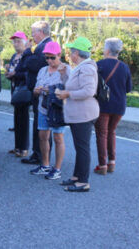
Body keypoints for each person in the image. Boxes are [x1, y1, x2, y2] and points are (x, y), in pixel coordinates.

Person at [55, 37, 99, 192]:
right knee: (80, 147)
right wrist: (64, 75)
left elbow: (89, 91)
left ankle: (83, 182)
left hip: (84, 114)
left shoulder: (86, 68)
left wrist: (68, 94)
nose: (69, 55)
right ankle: (76, 177)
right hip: (80, 114)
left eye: (71, 51)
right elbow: (75, 85)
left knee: (82, 148)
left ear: (76, 53)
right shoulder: (81, 67)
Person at [30, 41, 70, 181]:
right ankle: (45, 165)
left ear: (59, 55)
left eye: (52, 57)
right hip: (43, 107)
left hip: (58, 109)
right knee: (42, 136)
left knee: (58, 138)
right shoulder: (42, 70)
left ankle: (57, 168)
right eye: (46, 57)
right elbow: (36, 89)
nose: (49, 60)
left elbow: (69, 89)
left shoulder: (65, 69)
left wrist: (52, 90)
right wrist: (36, 91)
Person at [94, 38, 133, 175]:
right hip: (119, 106)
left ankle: (102, 165)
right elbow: (128, 88)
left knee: (101, 134)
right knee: (111, 132)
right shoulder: (124, 67)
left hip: (103, 105)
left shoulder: (99, 65)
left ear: (107, 50)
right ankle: (112, 163)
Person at [22, 20, 53, 165]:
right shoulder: (43, 45)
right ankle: (39, 153)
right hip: (39, 90)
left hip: (42, 92)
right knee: (40, 124)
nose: (32, 35)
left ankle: (40, 155)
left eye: (33, 32)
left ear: (41, 32)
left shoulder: (45, 46)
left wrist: (27, 51)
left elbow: (30, 64)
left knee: (42, 126)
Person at [5, 31, 32, 157]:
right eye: (14, 41)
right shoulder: (14, 56)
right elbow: (12, 72)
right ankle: (17, 147)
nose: (16, 44)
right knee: (16, 119)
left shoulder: (27, 56)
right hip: (15, 89)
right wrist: (9, 74)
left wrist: (15, 74)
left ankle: (24, 148)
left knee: (24, 120)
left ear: (25, 42)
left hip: (24, 90)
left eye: (19, 41)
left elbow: (28, 74)